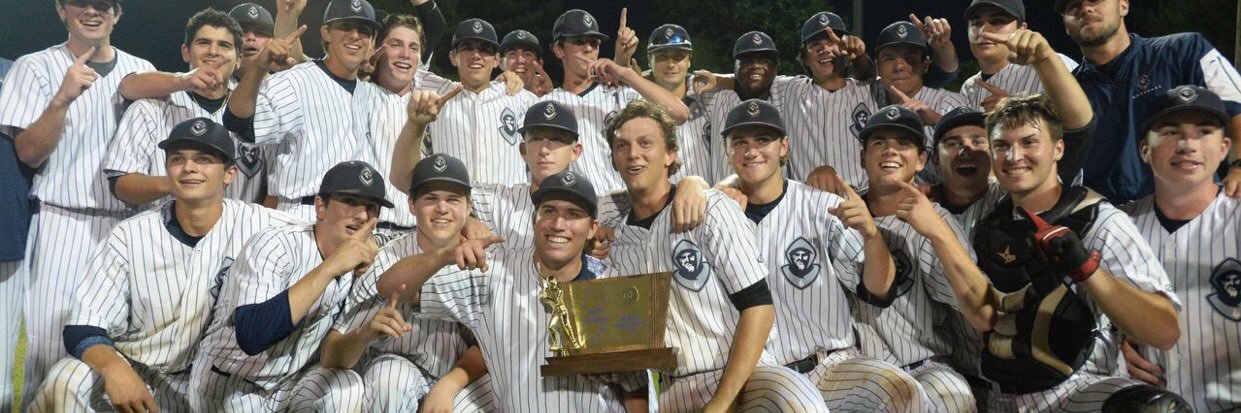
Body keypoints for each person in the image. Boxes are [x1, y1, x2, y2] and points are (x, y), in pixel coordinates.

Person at [935, 91, 1187, 411]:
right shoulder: (988, 223)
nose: (1014, 156)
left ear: (1058, 149)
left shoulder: (1099, 220)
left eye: (1029, 142)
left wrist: (1087, 269)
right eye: (1002, 145)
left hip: (1079, 388)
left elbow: (1165, 331)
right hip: (1001, 395)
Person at [30, 118, 299, 412]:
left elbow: (324, 234)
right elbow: (83, 326)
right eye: (177, 159)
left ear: (230, 174)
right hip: (139, 374)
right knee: (67, 378)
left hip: (223, 386)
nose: (189, 167)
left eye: (204, 159)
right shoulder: (130, 235)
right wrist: (115, 370)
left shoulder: (261, 224)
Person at [600, 100, 827, 412]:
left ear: (670, 154)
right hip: (674, 388)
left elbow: (759, 308)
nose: (633, 153)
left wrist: (722, 402)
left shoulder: (711, 208)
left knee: (798, 401)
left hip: (746, 374)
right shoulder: (616, 240)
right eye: (622, 146)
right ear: (613, 159)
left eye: (646, 143)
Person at [717, 99, 928, 412]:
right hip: (761, 374)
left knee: (902, 392)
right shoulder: (716, 216)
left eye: (763, 140)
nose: (751, 151)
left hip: (832, 365)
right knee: (798, 404)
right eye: (740, 142)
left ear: (784, 147)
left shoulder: (820, 207)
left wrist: (871, 235)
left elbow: (879, 290)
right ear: (728, 150)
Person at [376, 170, 646, 412]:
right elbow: (391, 287)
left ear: (592, 229)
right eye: (548, 211)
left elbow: (635, 389)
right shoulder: (493, 273)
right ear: (534, 220)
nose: (558, 224)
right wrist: (443, 255)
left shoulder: (611, 283)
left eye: (573, 214)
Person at [0, 0, 155, 404]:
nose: (92, 11)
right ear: (61, 10)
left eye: (103, 4)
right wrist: (61, 100)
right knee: (48, 350)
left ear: (118, 13)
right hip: (60, 223)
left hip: (129, 226)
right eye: (81, 3)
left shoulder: (143, 72)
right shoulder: (34, 67)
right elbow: (28, 153)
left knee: (123, 348)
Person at [193, 160, 392, 411]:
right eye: (350, 202)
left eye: (371, 207)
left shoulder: (363, 257)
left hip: (288, 387)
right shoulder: (276, 244)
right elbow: (253, 335)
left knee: (345, 387)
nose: (362, 215)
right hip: (230, 384)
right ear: (320, 206)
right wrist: (330, 267)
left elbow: (402, 244)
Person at [321, 154, 491, 412]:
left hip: (461, 375)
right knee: (390, 377)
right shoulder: (385, 259)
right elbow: (331, 354)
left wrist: (448, 386)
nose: (442, 209)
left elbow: (489, 346)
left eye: (452, 199)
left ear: (469, 207)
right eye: (430, 199)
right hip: (397, 374)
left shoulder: (485, 261)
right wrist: (363, 333)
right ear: (411, 204)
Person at [849, 104, 979, 412]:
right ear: (862, 157)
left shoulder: (937, 220)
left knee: (955, 399)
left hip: (925, 366)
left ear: (921, 160)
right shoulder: (836, 213)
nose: (890, 151)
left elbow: (971, 305)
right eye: (879, 142)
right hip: (858, 372)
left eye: (903, 144)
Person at [1120, 85, 1241, 413]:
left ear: (1224, 148)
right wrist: (1114, 343)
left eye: (1203, 132)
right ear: (1145, 150)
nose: (1188, 144)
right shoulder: (1117, 225)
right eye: (1171, 132)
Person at [1058, 0, 1241, 202]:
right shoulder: (1067, 94)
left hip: (1192, 215)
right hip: (1108, 225)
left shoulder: (1183, 50)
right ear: (1066, 26)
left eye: (1096, 0)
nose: (1085, 9)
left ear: (1123, 5)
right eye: (1073, 6)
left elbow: (1236, 109)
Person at [222, 0, 382, 221]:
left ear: (372, 41)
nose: (355, 36)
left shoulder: (370, 95)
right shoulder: (296, 80)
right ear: (326, 33)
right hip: (301, 216)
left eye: (364, 31)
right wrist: (258, 68)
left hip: (353, 218)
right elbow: (240, 123)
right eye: (345, 26)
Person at [105, 8, 268, 209]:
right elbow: (121, 184)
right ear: (186, 52)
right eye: (203, 43)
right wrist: (176, 182)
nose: (213, 52)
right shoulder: (150, 107)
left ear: (238, 60)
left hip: (236, 235)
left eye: (224, 45)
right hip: (161, 231)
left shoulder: (260, 112)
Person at [544, 8, 689, 192]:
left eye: (594, 43)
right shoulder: (547, 104)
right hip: (577, 209)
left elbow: (680, 114)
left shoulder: (620, 94)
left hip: (624, 205)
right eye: (579, 42)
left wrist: (624, 72)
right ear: (559, 50)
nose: (588, 49)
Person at [421, 18, 538, 186]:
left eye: (485, 49)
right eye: (467, 47)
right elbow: (404, 66)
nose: (476, 55)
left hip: (508, 206)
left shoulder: (519, 97)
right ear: (453, 57)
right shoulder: (437, 92)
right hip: (454, 205)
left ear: (497, 60)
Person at [958, 0, 1079, 111]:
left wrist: (1013, 109)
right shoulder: (969, 87)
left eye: (997, 21)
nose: (983, 32)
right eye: (976, 23)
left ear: (1021, 29)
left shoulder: (1051, 64)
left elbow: (1081, 125)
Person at [642, 23, 715, 183]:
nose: (671, 64)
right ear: (649, 61)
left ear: (689, 61)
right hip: (657, 203)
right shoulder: (635, 102)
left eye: (678, 56)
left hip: (710, 199)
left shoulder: (712, 98)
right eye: (662, 56)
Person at [228, 2, 277, 81]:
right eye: (241, 31)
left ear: (273, 41)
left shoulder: (289, 87)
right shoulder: (209, 86)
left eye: (260, 32)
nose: (251, 37)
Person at [500, 29, 553, 97]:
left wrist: (549, 97)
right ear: (501, 63)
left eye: (527, 54)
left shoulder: (550, 95)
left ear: (539, 64)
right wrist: (499, 80)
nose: (520, 61)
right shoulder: (490, 95)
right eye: (512, 54)